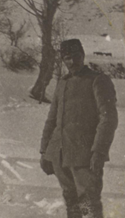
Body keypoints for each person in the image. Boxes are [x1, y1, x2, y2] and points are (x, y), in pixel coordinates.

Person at [40, 39, 118, 218]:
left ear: (83, 56)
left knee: (88, 205)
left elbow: (108, 119)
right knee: (71, 202)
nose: (72, 62)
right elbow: (51, 120)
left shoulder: (98, 80)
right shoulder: (62, 83)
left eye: (75, 56)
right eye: (67, 58)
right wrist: (45, 151)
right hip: (60, 155)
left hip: (85, 157)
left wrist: (98, 152)